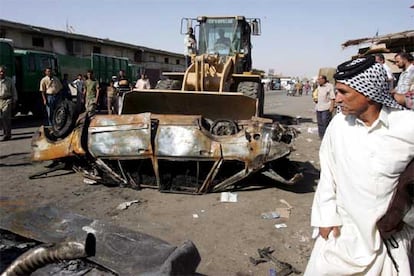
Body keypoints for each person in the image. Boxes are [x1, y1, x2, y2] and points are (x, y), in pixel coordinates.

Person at [304, 56, 414, 275]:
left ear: (370, 94)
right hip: (342, 232)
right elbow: (329, 174)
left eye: (344, 92)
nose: (337, 98)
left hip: (386, 237)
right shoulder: (338, 126)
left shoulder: (405, 126)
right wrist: (325, 217)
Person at [0, 66, 18, 141]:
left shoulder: (9, 80)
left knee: (5, 118)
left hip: (7, 101)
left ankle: (7, 134)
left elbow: (14, 91)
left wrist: (14, 101)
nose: (1, 73)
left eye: (3, 71)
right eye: (0, 71)